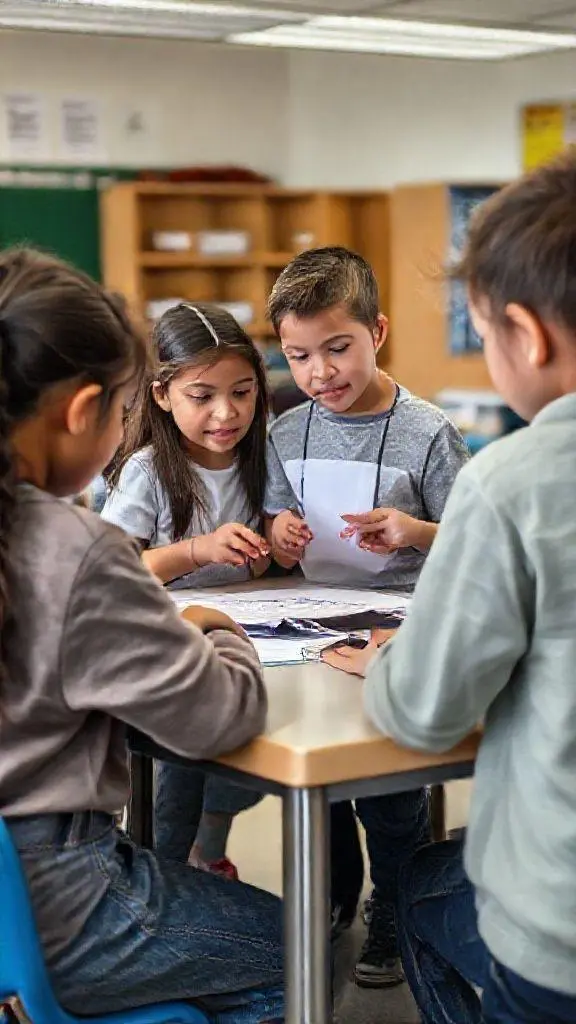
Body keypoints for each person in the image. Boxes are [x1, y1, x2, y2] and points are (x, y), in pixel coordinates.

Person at [323, 152, 576, 1024]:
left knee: (429, 888)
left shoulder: (513, 478)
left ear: (525, 334)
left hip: (561, 939)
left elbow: (425, 713)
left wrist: (396, 659)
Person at [0, 248, 283, 1021]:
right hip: (55, 897)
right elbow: (220, 715)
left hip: (20, 899)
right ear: (83, 408)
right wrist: (214, 627)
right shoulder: (75, 547)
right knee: (298, 954)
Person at [264, 246, 469, 988]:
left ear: (378, 331)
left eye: (338, 348)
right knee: (324, 785)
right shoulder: (287, 432)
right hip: (314, 629)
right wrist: (282, 533)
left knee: (387, 790)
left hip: (400, 633)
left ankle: (398, 903)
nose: (320, 373)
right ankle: (335, 893)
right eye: (299, 356)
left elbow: (475, 541)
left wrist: (414, 533)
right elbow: (277, 527)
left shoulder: (428, 431)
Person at [102, 302, 270, 878]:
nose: (227, 413)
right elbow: (117, 569)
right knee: (180, 773)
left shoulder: (258, 458)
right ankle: (166, 877)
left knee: (237, 768)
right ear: (161, 395)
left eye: (243, 393)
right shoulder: (148, 470)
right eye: (203, 397)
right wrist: (197, 549)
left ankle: (206, 852)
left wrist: (282, 542)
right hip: (170, 650)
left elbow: (264, 562)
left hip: (249, 640)